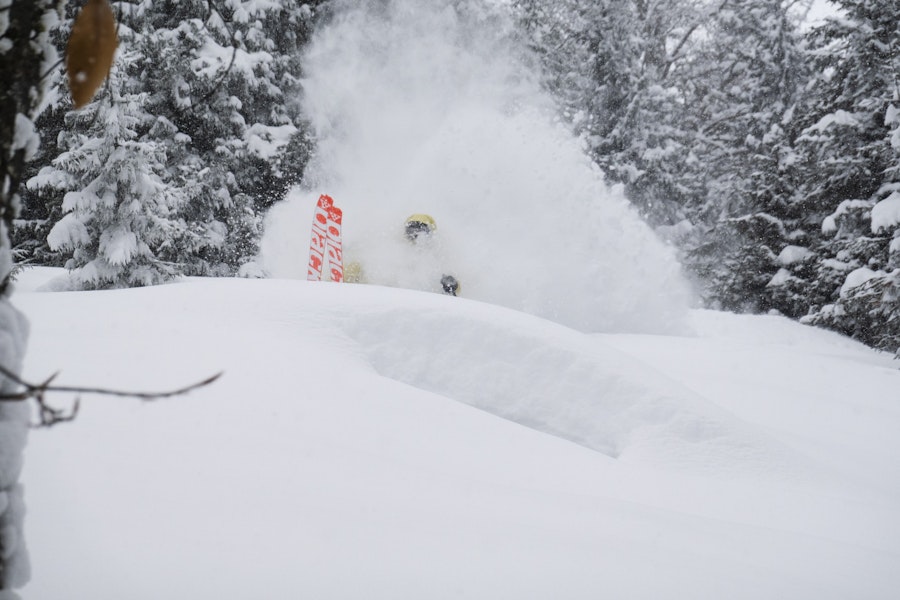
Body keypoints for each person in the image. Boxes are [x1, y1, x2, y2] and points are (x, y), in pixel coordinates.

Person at [345, 214, 460, 296]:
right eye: (411, 230)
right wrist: (349, 272)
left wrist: (453, 285)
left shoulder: (436, 257)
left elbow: (457, 289)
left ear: (429, 234)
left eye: (421, 230)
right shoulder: (393, 248)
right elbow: (368, 263)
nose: (416, 235)